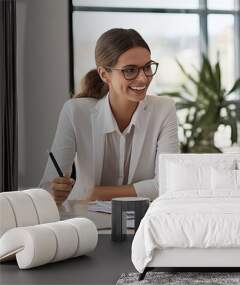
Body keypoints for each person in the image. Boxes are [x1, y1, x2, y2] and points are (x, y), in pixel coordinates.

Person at [40, 28, 179, 205]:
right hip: (86, 222)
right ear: (104, 74)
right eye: (130, 70)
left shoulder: (164, 110)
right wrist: (54, 192)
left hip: (142, 223)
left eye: (147, 67)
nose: (143, 79)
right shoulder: (75, 113)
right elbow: (46, 188)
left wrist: (95, 193)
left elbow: (167, 184)